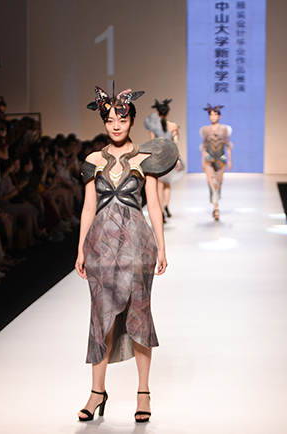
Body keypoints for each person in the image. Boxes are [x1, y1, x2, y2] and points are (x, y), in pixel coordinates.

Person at [75, 85, 177, 423]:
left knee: (139, 316)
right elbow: (88, 207)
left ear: (132, 120)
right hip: (100, 246)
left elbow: (154, 205)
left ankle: (143, 392)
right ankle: (96, 392)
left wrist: (162, 246)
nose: (116, 125)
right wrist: (80, 248)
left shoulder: (145, 159)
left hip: (138, 244)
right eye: (109, 120)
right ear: (104, 122)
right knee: (100, 317)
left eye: (121, 119)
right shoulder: (93, 160)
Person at [144, 99, 185, 221]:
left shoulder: (153, 128)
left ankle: (161, 210)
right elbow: (175, 143)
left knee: (160, 185)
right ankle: (166, 206)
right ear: (167, 113)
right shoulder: (173, 126)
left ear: (157, 113)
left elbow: (152, 144)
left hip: (159, 159)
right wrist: (178, 158)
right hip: (170, 157)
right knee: (167, 183)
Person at [200, 104, 233, 220]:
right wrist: (202, 161)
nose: (213, 117)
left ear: (219, 116)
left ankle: (216, 203)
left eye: (215, 114)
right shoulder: (205, 130)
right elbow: (204, 146)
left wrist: (230, 160)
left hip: (221, 158)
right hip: (208, 158)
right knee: (211, 182)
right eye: (211, 115)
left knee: (218, 182)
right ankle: (215, 208)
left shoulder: (224, 129)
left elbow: (228, 145)